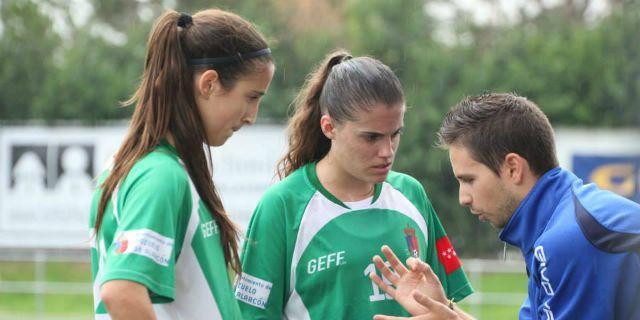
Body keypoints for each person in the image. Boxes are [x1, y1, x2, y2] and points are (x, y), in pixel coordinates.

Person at [234, 50, 473, 319]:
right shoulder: (282, 205)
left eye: (395, 135)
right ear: (329, 127)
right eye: (371, 138)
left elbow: (444, 308)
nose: (387, 151)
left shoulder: (411, 193)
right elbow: (250, 314)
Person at [371, 93, 640, 320]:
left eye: (469, 180)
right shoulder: (561, 223)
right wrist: (449, 314)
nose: (463, 198)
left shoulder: (568, 240)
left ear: (513, 168)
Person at [88, 9, 274, 319]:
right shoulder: (161, 175)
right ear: (209, 84)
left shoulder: (142, 165)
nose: (252, 116)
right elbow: (121, 291)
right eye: (251, 97)